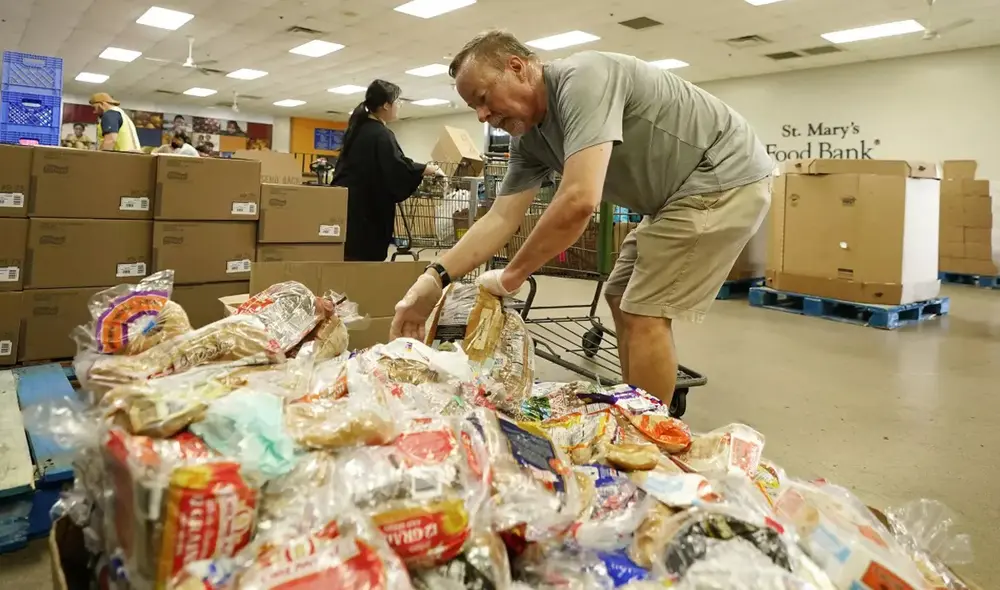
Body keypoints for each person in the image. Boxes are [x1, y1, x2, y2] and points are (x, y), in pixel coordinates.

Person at [390, 31, 773, 406]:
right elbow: (501, 217)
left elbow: (578, 200)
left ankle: (648, 443)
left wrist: (511, 276)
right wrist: (432, 279)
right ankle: (635, 408)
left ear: (518, 67)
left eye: (484, 98)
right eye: (475, 107)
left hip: (720, 178)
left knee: (644, 310)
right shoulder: (530, 141)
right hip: (674, 199)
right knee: (619, 296)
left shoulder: (582, 79)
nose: (483, 115)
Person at [331, 79, 445, 262]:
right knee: (366, 260)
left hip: (348, 208)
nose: (399, 106)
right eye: (398, 101)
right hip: (367, 213)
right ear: (385, 105)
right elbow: (396, 167)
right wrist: (425, 169)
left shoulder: (358, 129)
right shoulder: (380, 133)